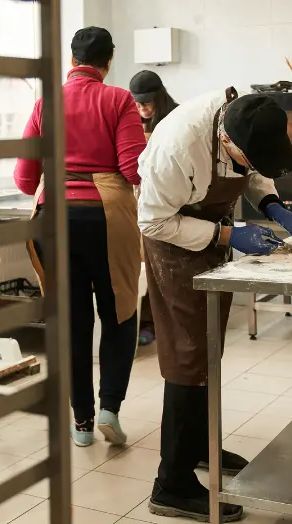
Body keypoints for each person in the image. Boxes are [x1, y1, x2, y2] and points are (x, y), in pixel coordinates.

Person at [138, 88, 292, 523]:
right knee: (187, 356)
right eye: (247, 159)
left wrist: (274, 207)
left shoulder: (246, 118)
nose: (250, 167)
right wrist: (228, 236)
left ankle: (198, 446)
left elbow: (252, 173)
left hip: (209, 238)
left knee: (208, 348)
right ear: (227, 142)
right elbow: (153, 220)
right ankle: (171, 485)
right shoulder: (177, 145)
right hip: (171, 244)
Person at [15, 27, 146, 447]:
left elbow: (23, 179)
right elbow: (133, 170)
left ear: (72, 61)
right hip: (107, 220)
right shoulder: (119, 99)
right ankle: (110, 408)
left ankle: (82, 423)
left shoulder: (45, 103)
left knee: (72, 320)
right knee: (121, 312)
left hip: (54, 220)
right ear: (108, 64)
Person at [128, 70, 179, 346]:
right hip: (138, 199)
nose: (142, 109)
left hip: (168, 199)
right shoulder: (131, 120)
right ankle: (143, 320)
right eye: (137, 104)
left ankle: (159, 322)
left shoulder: (176, 119)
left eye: (147, 103)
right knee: (141, 264)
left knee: (161, 263)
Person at [129, 70, 179, 137]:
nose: (142, 108)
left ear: (160, 98)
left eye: (146, 102)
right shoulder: (130, 118)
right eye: (137, 103)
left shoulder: (177, 117)